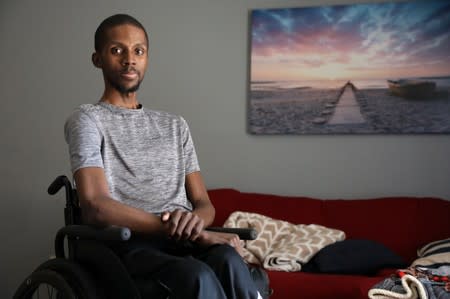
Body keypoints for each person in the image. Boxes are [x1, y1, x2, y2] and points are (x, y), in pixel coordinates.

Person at [64, 13, 261, 299]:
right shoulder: (87, 120)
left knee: (229, 259)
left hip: (182, 241)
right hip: (129, 244)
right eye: (117, 50)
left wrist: (196, 224)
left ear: (146, 58)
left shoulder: (175, 125)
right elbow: (95, 205)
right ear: (98, 59)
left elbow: (204, 204)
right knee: (198, 276)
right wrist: (175, 229)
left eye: (138, 51)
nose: (129, 59)